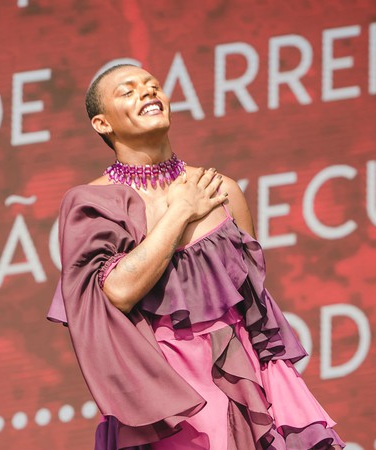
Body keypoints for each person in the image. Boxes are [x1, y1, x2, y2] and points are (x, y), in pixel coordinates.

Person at [47, 64, 344, 450]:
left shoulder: (221, 189)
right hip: (161, 395)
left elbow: (254, 304)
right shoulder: (90, 202)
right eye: (128, 90)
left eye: (153, 86)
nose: (148, 92)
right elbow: (118, 291)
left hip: (240, 382)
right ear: (103, 124)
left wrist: (276, 393)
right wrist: (181, 211)